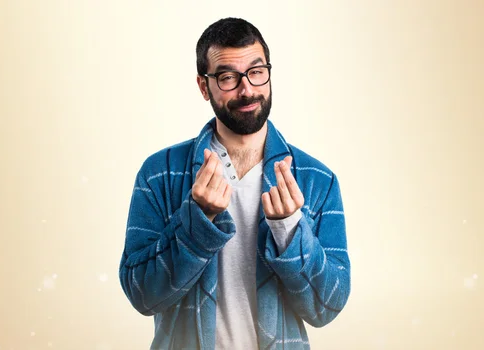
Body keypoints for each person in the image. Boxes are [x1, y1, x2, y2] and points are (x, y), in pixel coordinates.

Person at [119, 17, 351, 349]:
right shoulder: (159, 173)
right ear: (204, 86)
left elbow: (327, 306)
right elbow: (142, 294)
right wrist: (197, 221)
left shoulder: (318, 179)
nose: (247, 89)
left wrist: (289, 230)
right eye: (228, 77)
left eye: (256, 72)